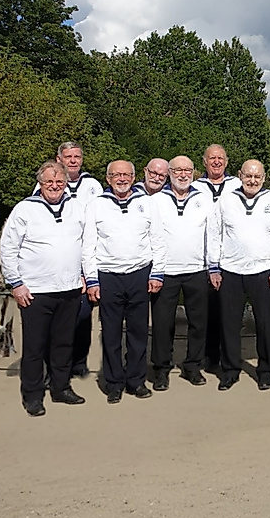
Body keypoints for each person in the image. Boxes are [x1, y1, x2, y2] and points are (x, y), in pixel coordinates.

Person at [1, 161, 89, 416]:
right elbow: (8, 248)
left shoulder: (76, 207)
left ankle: (61, 388)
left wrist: (85, 275)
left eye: (59, 182)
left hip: (70, 289)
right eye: (49, 181)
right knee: (34, 347)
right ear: (40, 183)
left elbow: (86, 243)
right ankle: (32, 395)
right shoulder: (25, 209)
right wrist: (16, 283)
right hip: (36, 292)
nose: (54, 186)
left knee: (63, 344)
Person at [83, 160, 166, 404]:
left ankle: (136, 381)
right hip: (108, 276)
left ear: (133, 177)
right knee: (110, 333)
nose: (121, 179)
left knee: (138, 332)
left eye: (126, 174)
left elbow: (158, 240)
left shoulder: (146, 203)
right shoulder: (96, 205)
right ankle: (114, 383)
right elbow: (88, 245)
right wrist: (91, 280)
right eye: (116, 175)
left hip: (140, 274)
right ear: (108, 178)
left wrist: (157, 273)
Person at [207, 160, 270, 392]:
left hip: (262, 271)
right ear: (240, 175)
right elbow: (214, 232)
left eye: (257, 176)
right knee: (229, 324)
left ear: (264, 177)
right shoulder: (226, 200)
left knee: (265, 324)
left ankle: (266, 370)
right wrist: (213, 267)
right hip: (231, 270)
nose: (252, 180)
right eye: (248, 176)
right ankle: (230, 370)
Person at [148, 156, 213, 390]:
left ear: (194, 172)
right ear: (170, 173)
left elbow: (212, 234)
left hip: (197, 270)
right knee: (163, 323)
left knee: (198, 322)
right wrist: (155, 271)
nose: (183, 174)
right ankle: (161, 369)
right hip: (166, 271)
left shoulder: (203, 200)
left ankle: (193, 366)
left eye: (187, 170)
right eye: (178, 170)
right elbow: (152, 237)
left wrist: (212, 265)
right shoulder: (156, 201)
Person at [42, 141, 102, 379]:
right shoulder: (49, 186)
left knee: (83, 316)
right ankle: (55, 366)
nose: (73, 160)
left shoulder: (93, 185)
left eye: (77, 156)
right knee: (56, 318)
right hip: (58, 258)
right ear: (59, 159)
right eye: (68, 156)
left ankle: (78, 361)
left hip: (85, 256)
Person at [196, 144, 242, 374]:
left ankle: (228, 357)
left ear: (226, 161)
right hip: (202, 258)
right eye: (212, 158)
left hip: (231, 259)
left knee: (228, 311)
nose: (216, 162)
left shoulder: (237, 185)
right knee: (206, 310)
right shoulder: (195, 187)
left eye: (220, 158)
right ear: (204, 162)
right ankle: (209, 356)